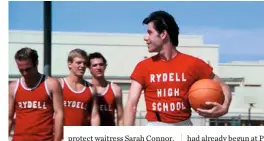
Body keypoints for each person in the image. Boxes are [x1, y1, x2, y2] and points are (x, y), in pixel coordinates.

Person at [124, 10, 232, 126]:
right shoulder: (143, 67)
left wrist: (225, 107)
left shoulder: (193, 64)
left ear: (163, 34)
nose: (145, 38)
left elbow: (223, 85)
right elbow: (131, 105)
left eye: (150, 32)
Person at [9, 47, 64, 141]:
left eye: (28, 69)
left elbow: (59, 114)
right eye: (21, 70)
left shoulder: (51, 84)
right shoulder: (13, 87)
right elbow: (8, 118)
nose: (24, 73)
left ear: (36, 63)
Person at [59, 49, 100, 126]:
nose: (82, 66)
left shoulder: (91, 88)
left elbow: (94, 115)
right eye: (78, 63)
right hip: (61, 134)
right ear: (69, 64)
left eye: (84, 63)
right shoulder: (60, 84)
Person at [87, 52, 124, 126]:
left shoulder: (115, 89)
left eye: (101, 64)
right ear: (89, 69)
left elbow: (121, 118)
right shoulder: (86, 88)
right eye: (94, 65)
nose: (98, 68)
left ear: (105, 66)